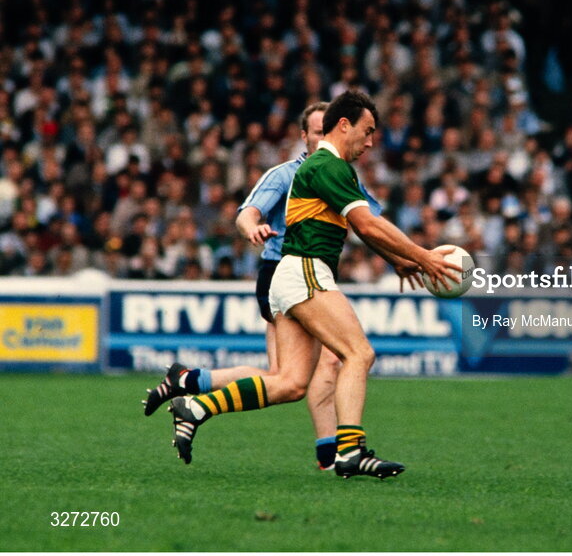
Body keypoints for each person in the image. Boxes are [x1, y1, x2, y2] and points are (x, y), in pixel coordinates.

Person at [163, 91, 460, 479]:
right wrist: (424, 257)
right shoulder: (329, 165)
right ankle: (350, 452)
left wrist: (401, 260)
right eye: (368, 131)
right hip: (305, 271)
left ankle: (196, 407)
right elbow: (368, 224)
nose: (371, 142)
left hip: (290, 275)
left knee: (290, 383)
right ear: (344, 125)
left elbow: (364, 228)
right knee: (359, 353)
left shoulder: (328, 167)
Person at [142, 102, 357, 471]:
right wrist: (252, 228)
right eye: (317, 131)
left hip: (311, 273)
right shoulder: (285, 175)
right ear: (303, 136)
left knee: (291, 377)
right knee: (318, 366)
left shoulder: (341, 174)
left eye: (329, 130)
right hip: (282, 272)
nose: (325, 138)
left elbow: (369, 219)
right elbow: (247, 214)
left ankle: (188, 381)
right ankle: (335, 456)